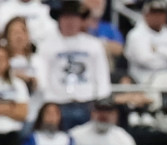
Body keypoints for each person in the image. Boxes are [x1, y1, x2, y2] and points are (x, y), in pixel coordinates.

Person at [32, 0, 112, 130]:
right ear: (59, 20)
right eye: (66, 17)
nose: (70, 22)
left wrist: (101, 102)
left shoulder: (94, 44)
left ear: (81, 21)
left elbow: (102, 75)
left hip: (87, 102)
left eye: (74, 18)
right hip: (58, 103)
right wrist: (48, 102)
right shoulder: (46, 45)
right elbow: (42, 75)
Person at [124, 0, 167, 85]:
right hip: (143, 83)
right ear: (146, 14)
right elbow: (145, 59)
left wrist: (157, 49)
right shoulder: (135, 35)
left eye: (161, 13)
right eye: (154, 12)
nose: (157, 16)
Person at [68, 97, 137, 145]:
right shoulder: (76, 134)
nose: (103, 115)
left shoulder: (123, 138)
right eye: (99, 110)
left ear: (115, 115)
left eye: (108, 111)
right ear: (92, 113)